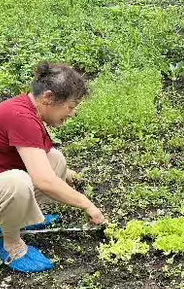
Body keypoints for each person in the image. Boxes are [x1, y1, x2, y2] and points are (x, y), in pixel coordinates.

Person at [0, 62, 106, 273]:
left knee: (55, 160)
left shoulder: (25, 109)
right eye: (71, 106)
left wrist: (65, 173)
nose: (73, 113)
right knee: (17, 184)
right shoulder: (21, 117)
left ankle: (20, 219)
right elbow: (43, 180)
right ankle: (10, 244)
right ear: (49, 98)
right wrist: (86, 203)